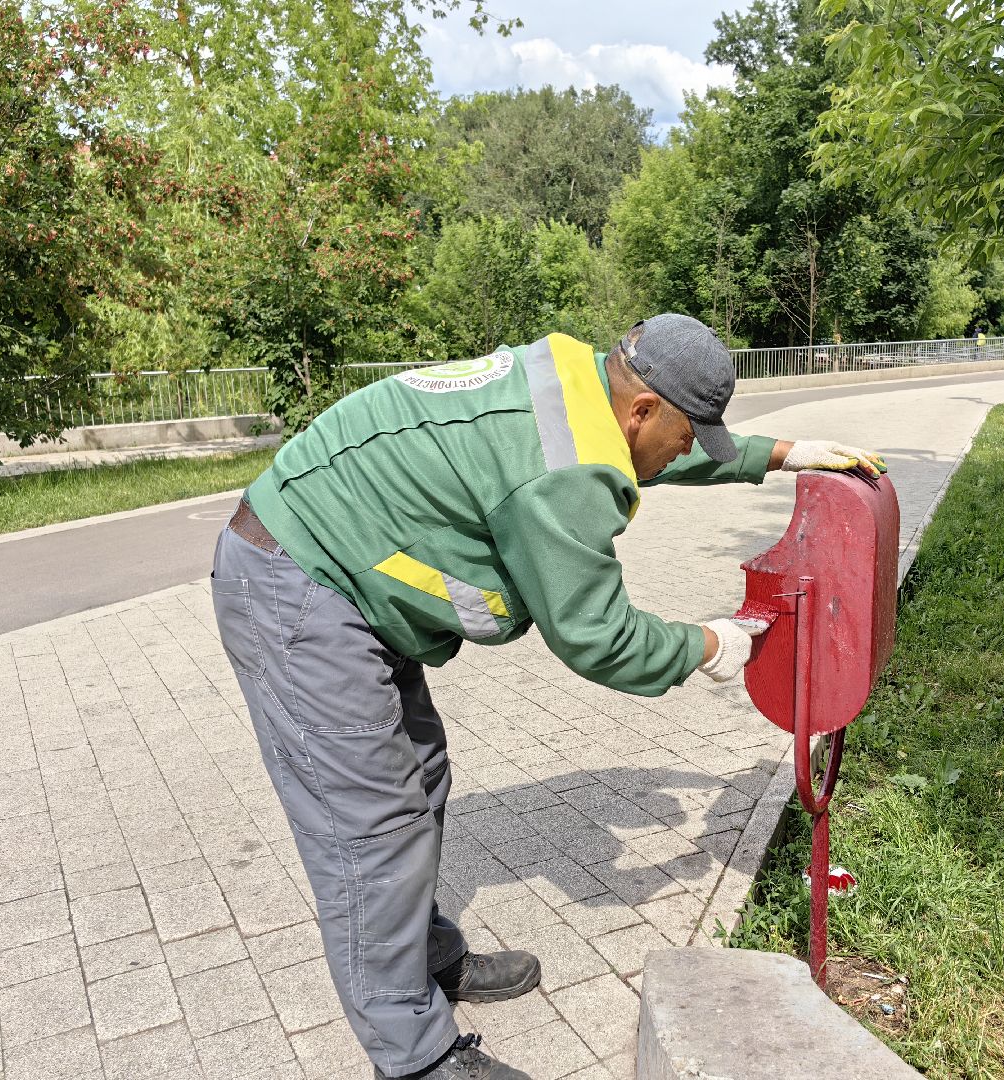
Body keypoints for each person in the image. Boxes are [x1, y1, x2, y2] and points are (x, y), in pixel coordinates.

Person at [210, 314, 886, 1080]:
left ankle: (422, 959)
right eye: (687, 434)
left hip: (342, 567)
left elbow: (647, 454)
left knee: (421, 774)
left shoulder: (581, 386)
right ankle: (417, 1060)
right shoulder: (563, 470)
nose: (686, 452)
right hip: (299, 587)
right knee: (369, 827)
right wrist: (709, 645)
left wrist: (784, 456)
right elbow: (596, 637)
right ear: (641, 410)